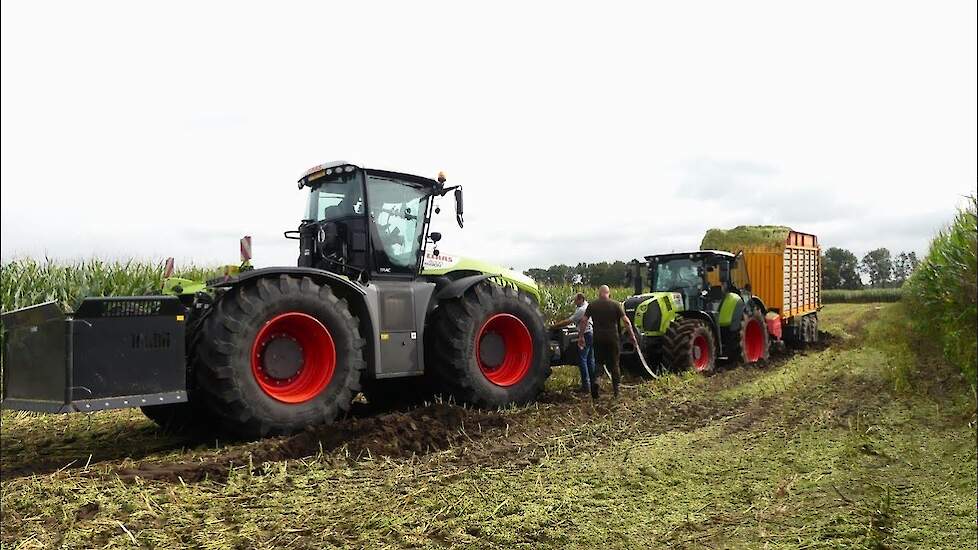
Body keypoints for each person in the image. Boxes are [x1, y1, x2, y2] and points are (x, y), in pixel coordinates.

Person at [580, 285, 638, 398]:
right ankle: (616, 391)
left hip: (598, 338)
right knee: (614, 364)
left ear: (599, 293)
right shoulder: (615, 304)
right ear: (608, 293)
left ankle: (596, 381)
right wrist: (632, 336)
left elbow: (583, 320)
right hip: (613, 338)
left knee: (598, 362)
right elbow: (626, 321)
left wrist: (581, 336)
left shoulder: (592, 305)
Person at [551, 292, 595, 394]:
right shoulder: (587, 306)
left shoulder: (581, 310)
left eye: (576, 300)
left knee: (582, 360)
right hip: (591, 333)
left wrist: (553, 326)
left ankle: (586, 386)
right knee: (590, 359)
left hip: (585, 334)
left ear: (581, 299)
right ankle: (593, 383)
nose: (575, 302)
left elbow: (568, 321)